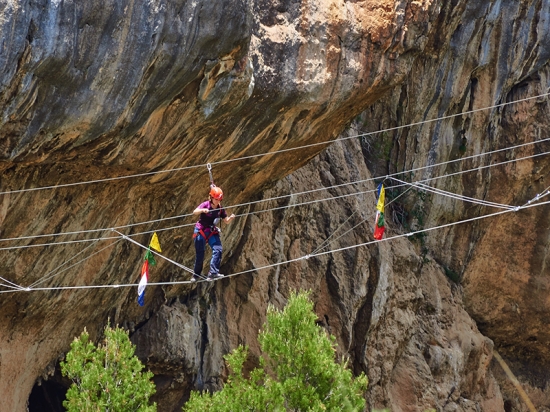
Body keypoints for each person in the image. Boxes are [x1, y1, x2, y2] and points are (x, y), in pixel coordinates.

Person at [191, 186, 235, 282]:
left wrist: (230, 218)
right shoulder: (205, 204)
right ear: (211, 198)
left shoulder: (220, 209)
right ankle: (196, 275)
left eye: (219, 199)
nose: (218, 201)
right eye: (216, 199)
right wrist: (203, 210)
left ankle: (213, 273)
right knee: (200, 255)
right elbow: (195, 212)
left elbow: (226, 221)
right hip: (200, 231)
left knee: (218, 249)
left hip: (211, 231)